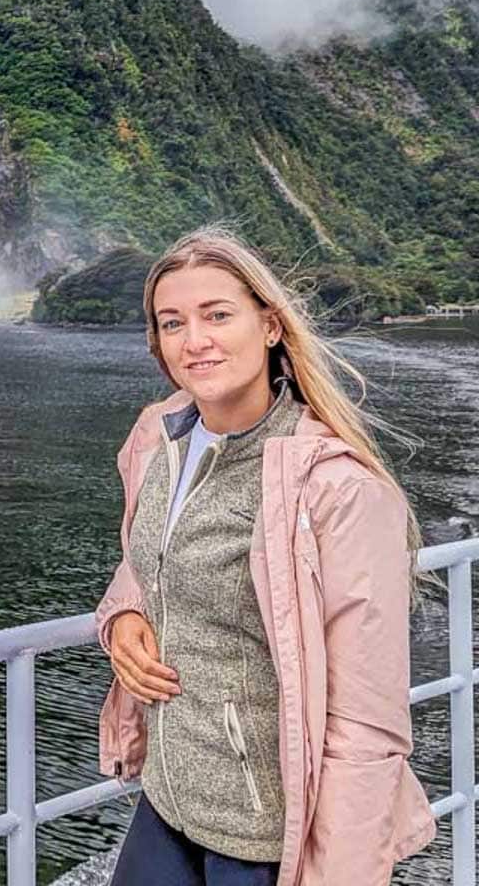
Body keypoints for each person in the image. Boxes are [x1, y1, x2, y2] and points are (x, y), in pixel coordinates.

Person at [95, 224, 436, 886]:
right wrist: (123, 614)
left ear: (271, 325)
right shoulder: (156, 441)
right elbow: (149, 559)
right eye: (172, 323)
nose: (194, 340)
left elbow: (366, 729)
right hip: (167, 801)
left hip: (267, 840)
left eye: (217, 315)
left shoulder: (335, 490)